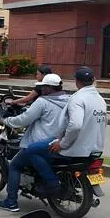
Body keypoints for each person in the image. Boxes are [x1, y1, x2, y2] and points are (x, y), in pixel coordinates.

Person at [25, 66, 107, 196]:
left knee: (32, 149)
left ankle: (52, 184)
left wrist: (62, 144)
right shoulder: (100, 100)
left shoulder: (77, 98)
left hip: (75, 149)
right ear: (93, 80)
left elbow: (75, 125)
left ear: (76, 81)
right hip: (94, 149)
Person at [0, 74, 69, 212]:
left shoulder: (42, 102)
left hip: (39, 143)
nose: (41, 89)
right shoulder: (68, 100)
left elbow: (24, 119)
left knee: (15, 166)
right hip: (58, 142)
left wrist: (6, 121)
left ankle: (11, 202)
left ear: (49, 88)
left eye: (43, 86)